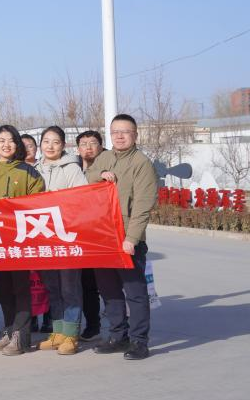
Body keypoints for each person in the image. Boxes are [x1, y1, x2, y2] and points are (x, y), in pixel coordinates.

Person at [87, 114, 158, 361]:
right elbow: (89, 175)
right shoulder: (104, 157)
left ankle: (139, 341)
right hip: (103, 237)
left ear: (135, 135)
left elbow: (143, 206)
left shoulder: (141, 163)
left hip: (127, 239)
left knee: (135, 293)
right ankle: (118, 336)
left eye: (125, 131)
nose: (119, 136)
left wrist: (132, 238)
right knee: (109, 291)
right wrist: (101, 173)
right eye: (115, 131)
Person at [0, 125, 45, 357]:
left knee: (20, 288)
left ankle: (21, 335)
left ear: (17, 144)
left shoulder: (28, 172)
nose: (6, 145)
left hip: (20, 240)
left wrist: (17, 206)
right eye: (1, 140)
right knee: (3, 289)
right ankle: (9, 330)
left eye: (11, 140)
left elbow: (39, 203)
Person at [32, 126, 89, 355]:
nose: (50, 146)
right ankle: (57, 332)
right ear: (40, 145)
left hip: (66, 237)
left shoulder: (71, 168)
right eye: (46, 141)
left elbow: (83, 199)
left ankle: (72, 334)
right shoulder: (35, 169)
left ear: (63, 145)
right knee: (52, 287)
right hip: (44, 238)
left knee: (69, 287)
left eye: (56, 142)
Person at [75, 129, 106, 338]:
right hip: (79, 235)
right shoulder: (72, 168)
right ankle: (92, 325)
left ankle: (121, 326)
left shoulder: (109, 168)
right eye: (83, 144)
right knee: (86, 285)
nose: (88, 147)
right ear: (78, 148)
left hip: (102, 234)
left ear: (100, 146)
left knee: (108, 283)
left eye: (93, 143)